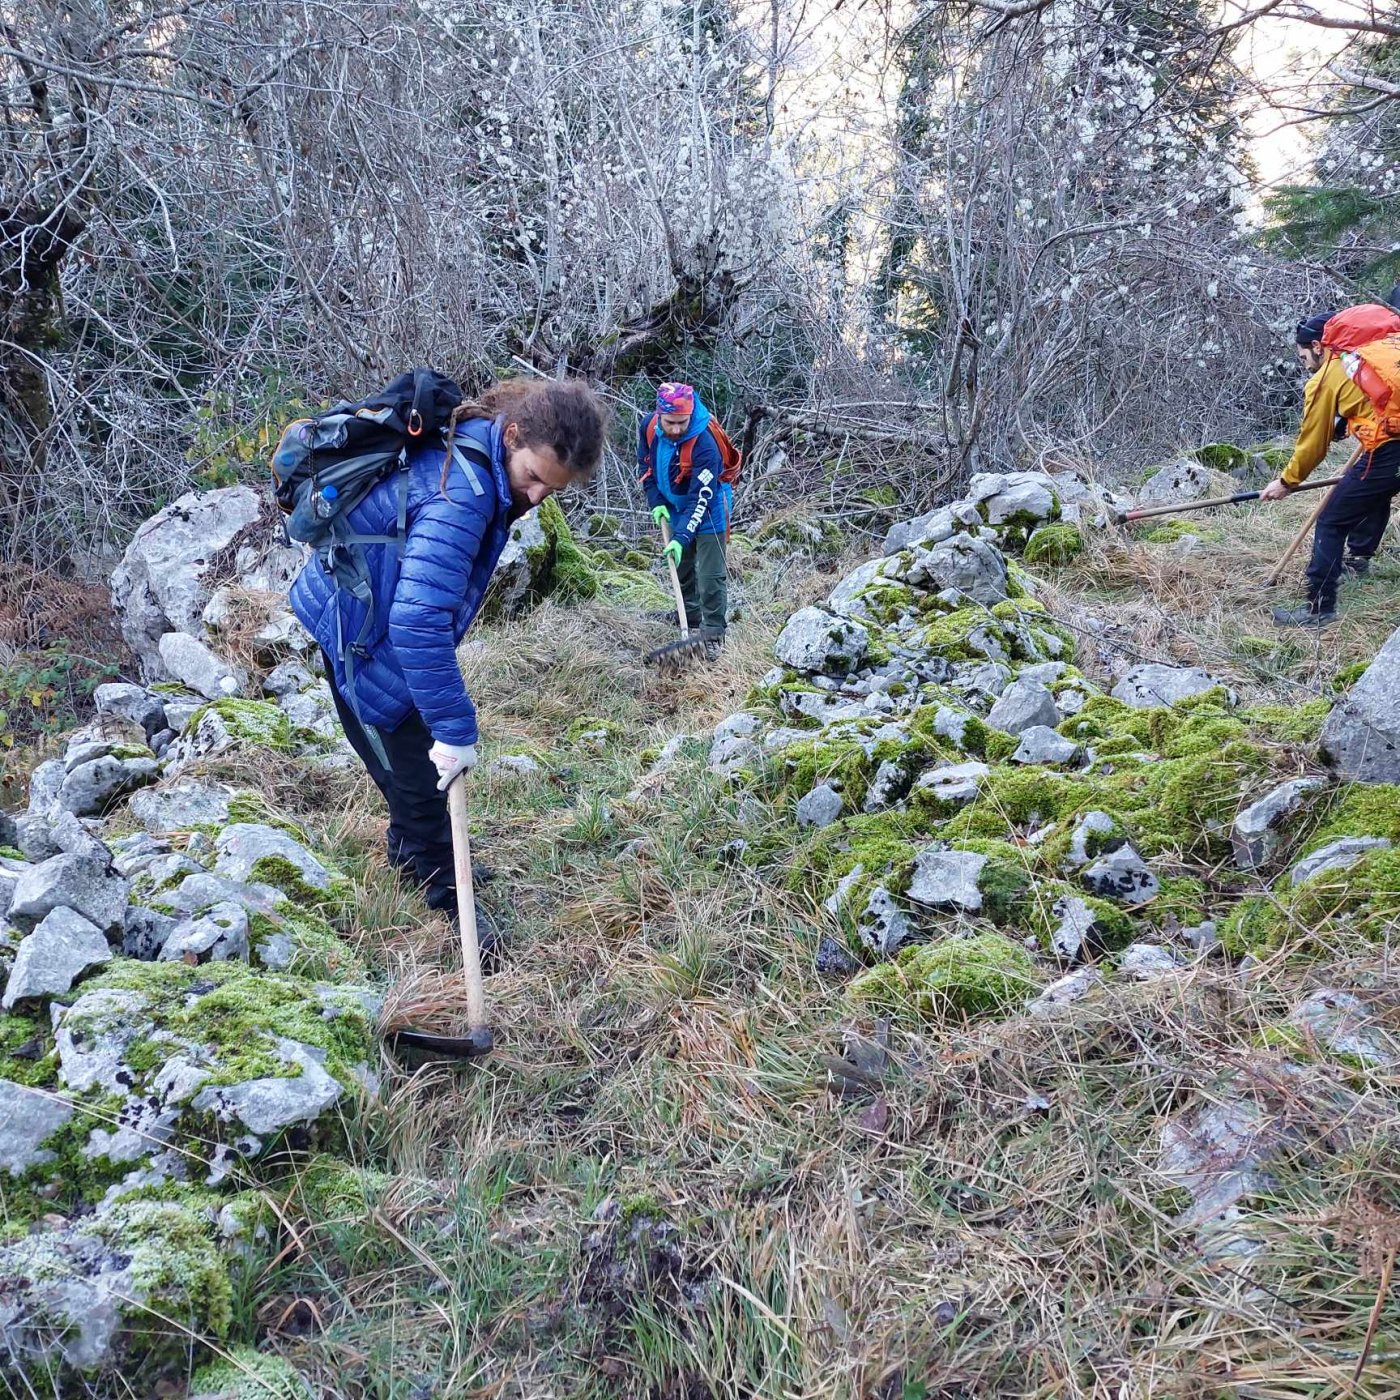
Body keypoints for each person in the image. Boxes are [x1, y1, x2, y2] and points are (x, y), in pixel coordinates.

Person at [290, 377, 606, 926]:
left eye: (550, 491)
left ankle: (411, 857)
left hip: (373, 616)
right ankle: (448, 902)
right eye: (533, 477)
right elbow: (417, 622)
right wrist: (456, 726)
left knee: (413, 768)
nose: (535, 498)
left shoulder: (482, 454)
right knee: (418, 779)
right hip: (361, 636)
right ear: (512, 436)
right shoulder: (465, 494)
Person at [1263, 312, 1400, 626]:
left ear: (1317, 345)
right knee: (1373, 492)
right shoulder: (1374, 355)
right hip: (1389, 450)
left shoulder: (1326, 377)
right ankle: (1358, 559)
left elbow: (1313, 444)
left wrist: (1287, 482)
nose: (1306, 365)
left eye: (1304, 357)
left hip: (1389, 453)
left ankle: (1319, 609)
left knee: (1331, 521)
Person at [636, 381, 733, 657]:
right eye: (670, 423)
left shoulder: (705, 444)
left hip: (710, 505)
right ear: (659, 416)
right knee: (682, 564)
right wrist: (656, 503)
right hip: (676, 504)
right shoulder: (648, 428)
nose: (677, 429)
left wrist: (680, 537)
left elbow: (700, 499)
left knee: (710, 574)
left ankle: (713, 633)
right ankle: (688, 615)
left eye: (682, 422)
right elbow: (646, 468)